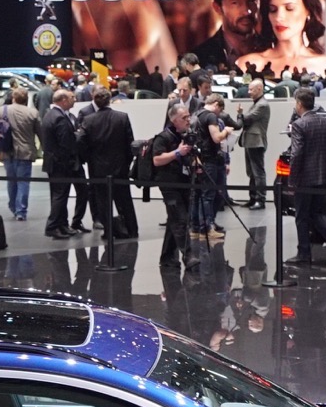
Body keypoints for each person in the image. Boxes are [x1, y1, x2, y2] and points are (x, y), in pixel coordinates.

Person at [235, 0, 326, 78]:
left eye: (289, 8)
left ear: (308, 11)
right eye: (273, 10)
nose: (279, 17)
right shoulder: (248, 65)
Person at [285, 88, 326, 266]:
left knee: (302, 216)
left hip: (305, 179)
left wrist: (292, 180)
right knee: (317, 212)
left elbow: (296, 154)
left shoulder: (299, 125)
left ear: (299, 104)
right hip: (324, 176)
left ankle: (304, 253)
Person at [77, 88, 138, 239]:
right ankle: (132, 230)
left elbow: (80, 141)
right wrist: (127, 161)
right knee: (125, 200)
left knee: (103, 202)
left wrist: (88, 158)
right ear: (109, 100)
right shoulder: (122, 117)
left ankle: (109, 231)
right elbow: (130, 143)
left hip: (98, 168)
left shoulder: (89, 120)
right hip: (120, 167)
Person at [150, 104, 199, 270]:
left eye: (188, 116)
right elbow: (157, 160)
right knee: (180, 220)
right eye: (184, 118)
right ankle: (188, 255)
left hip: (184, 181)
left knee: (174, 219)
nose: (188, 120)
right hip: (168, 183)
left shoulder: (186, 136)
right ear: (174, 120)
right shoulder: (163, 137)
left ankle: (167, 257)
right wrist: (177, 153)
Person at [39, 87, 83, 238]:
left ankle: (62, 224)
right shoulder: (60, 118)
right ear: (63, 100)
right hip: (60, 164)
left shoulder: (50, 115)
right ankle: (52, 226)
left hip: (53, 163)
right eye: (71, 98)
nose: (74, 100)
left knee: (59, 195)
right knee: (59, 196)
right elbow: (65, 144)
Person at [192, 0, 260, 70]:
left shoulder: (273, 49)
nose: (246, 11)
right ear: (218, 8)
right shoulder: (200, 58)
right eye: (235, 3)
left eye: (252, 1)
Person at [191, 93, 234, 238]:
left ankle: (196, 228)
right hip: (210, 160)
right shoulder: (210, 116)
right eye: (220, 110)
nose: (219, 114)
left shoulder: (196, 115)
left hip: (199, 158)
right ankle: (207, 228)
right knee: (209, 195)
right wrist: (226, 131)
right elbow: (217, 138)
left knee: (198, 195)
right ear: (216, 104)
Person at [3, 88, 39, 222]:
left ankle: (13, 206)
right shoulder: (33, 113)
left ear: (13, 98)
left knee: (11, 181)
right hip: (25, 152)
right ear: (27, 99)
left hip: (7, 151)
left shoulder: (2, 110)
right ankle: (21, 211)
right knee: (23, 182)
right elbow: (41, 132)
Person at [237, 79, 270, 209]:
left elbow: (247, 118)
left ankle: (260, 200)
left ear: (259, 89)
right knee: (252, 172)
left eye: (251, 89)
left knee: (258, 172)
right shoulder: (257, 103)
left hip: (256, 142)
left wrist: (240, 114)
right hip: (251, 141)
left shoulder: (262, 105)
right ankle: (253, 198)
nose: (249, 92)